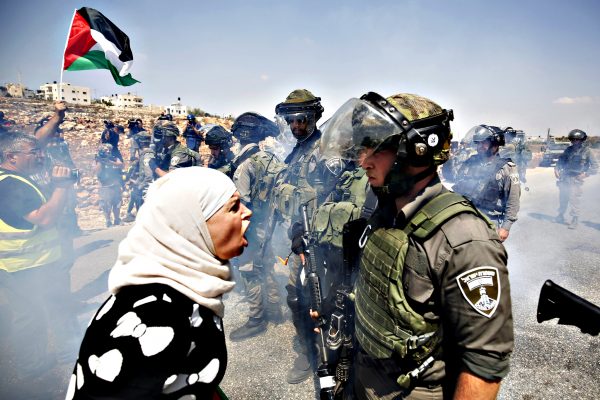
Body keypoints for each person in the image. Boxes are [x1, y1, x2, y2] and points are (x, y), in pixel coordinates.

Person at [319, 92, 514, 399]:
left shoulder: (465, 239)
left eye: (374, 148)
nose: (362, 161)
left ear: (416, 151)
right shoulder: (384, 212)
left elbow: (483, 365)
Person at [65, 167, 252, 399]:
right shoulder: (157, 314)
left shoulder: (182, 288)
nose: (247, 213)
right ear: (192, 226)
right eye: (233, 207)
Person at [0, 132, 81, 398]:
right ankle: (31, 368)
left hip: (39, 262)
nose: (40, 155)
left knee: (57, 307)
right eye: (33, 152)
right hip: (23, 265)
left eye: (39, 151)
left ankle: (68, 351)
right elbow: (43, 218)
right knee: (30, 316)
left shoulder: (19, 179)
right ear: (11, 157)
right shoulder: (10, 183)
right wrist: (60, 186)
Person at [271, 88, 336, 384]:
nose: (296, 126)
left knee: (318, 298)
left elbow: (332, 198)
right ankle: (311, 349)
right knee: (296, 296)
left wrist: (306, 235)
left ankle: (322, 352)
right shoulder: (298, 151)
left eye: (302, 120)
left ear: (314, 118)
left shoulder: (325, 150)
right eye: (292, 121)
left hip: (318, 241)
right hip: (298, 237)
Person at [227, 112, 285, 341]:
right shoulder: (272, 160)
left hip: (251, 227)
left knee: (249, 271)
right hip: (271, 226)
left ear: (242, 135)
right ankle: (275, 310)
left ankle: (256, 319)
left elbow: (241, 204)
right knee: (268, 266)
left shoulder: (244, 165)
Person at [452, 125, 521, 241]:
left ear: (495, 145)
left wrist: (506, 227)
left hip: (489, 222)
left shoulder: (506, 168)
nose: (480, 147)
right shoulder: (470, 163)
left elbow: (513, 201)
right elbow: (458, 187)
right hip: (465, 218)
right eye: (478, 143)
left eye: (484, 143)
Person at [554, 129, 598, 229]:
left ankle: (575, 219)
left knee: (574, 199)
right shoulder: (568, 150)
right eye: (573, 140)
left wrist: (585, 174)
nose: (575, 142)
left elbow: (595, 167)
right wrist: (556, 169)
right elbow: (561, 160)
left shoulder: (588, 152)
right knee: (563, 197)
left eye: (577, 140)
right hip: (565, 177)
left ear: (582, 140)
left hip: (576, 179)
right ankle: (560, 215)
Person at [94, 143, 125, 227]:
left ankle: (117, 219)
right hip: (105, 187)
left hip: (115, 185)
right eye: (106, 150)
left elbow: (121, 165)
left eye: (109, 150)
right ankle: (108, 221)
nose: (108, 151)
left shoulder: (114, 158)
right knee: (106, 205)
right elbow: (97, 171)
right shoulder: (98, 160)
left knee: (117, 204)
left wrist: (110, 162)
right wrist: (101, 161)